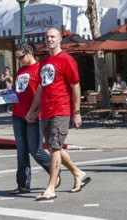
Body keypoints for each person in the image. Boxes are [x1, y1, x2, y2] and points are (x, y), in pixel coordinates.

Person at [33, 28, 91, 201]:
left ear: (59, 39)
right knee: (52, 147)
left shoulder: (67, 60)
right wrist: (33, 110)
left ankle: (51, 187)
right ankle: (77, 173)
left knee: (55, 147)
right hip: (46, 110)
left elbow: (75, 86)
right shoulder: (43, 61)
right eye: (47, 37)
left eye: (52, 37)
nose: (49, 39)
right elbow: (41, 87)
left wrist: (77, 112)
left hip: (61, 109)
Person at [10, 43, 60, 194]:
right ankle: (23, 184)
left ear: (30, 53)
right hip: (18, 114)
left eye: (21, 57)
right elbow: (20, 90)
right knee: (21, 152)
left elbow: (43, 93)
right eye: (17, 57)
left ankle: (55, 173)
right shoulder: (20, 70)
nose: (19, 60)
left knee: (35, 150)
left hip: (33, 115)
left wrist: (35, 112)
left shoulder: (39, 68)